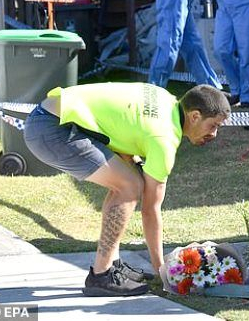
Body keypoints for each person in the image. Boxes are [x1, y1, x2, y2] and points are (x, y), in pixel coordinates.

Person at [23, 82, 230, 297]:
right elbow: (150, 210)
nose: (214, 134)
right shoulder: (164, 139)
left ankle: (111, 265)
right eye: (213, 125)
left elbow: (122, 129)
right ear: (195, 116)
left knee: (127, 181)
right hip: (52, 128)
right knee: (129, 186)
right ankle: (101, 276)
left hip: (50, 118)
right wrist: (161, 270)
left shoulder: (166, 99)